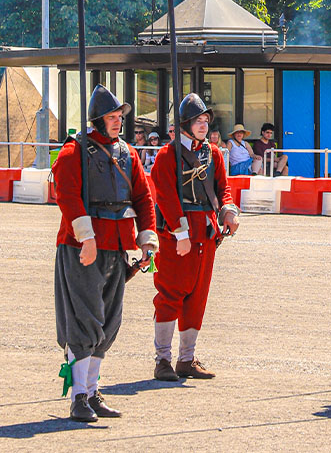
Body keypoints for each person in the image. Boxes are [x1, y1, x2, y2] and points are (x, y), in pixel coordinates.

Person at [52, 84, 157, 421]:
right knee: (84, 320)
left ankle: (92, 390)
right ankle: (78, 397)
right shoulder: (73, 152)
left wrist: (147, 240)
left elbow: (143, 198)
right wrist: (87, 238)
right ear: (97, 119)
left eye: (119, 116)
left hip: (117, 246)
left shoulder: (128, 153)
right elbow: (67, 196)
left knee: (109, 321)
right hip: (82, 247)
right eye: (112, 116)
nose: (118, 121)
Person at [150, 93, 240, 381]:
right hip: (177, 234)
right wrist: (180, 233)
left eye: (205, 121)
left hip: (205, 232)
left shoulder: (213, 154)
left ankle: (186, 359)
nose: (203, 125)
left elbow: (223, 189)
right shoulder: (167, 155)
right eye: (197, 121)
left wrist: (229, 211)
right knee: (170, 294)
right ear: (185, 125)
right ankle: (162, 360)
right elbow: (165, 196)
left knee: (197, 296)